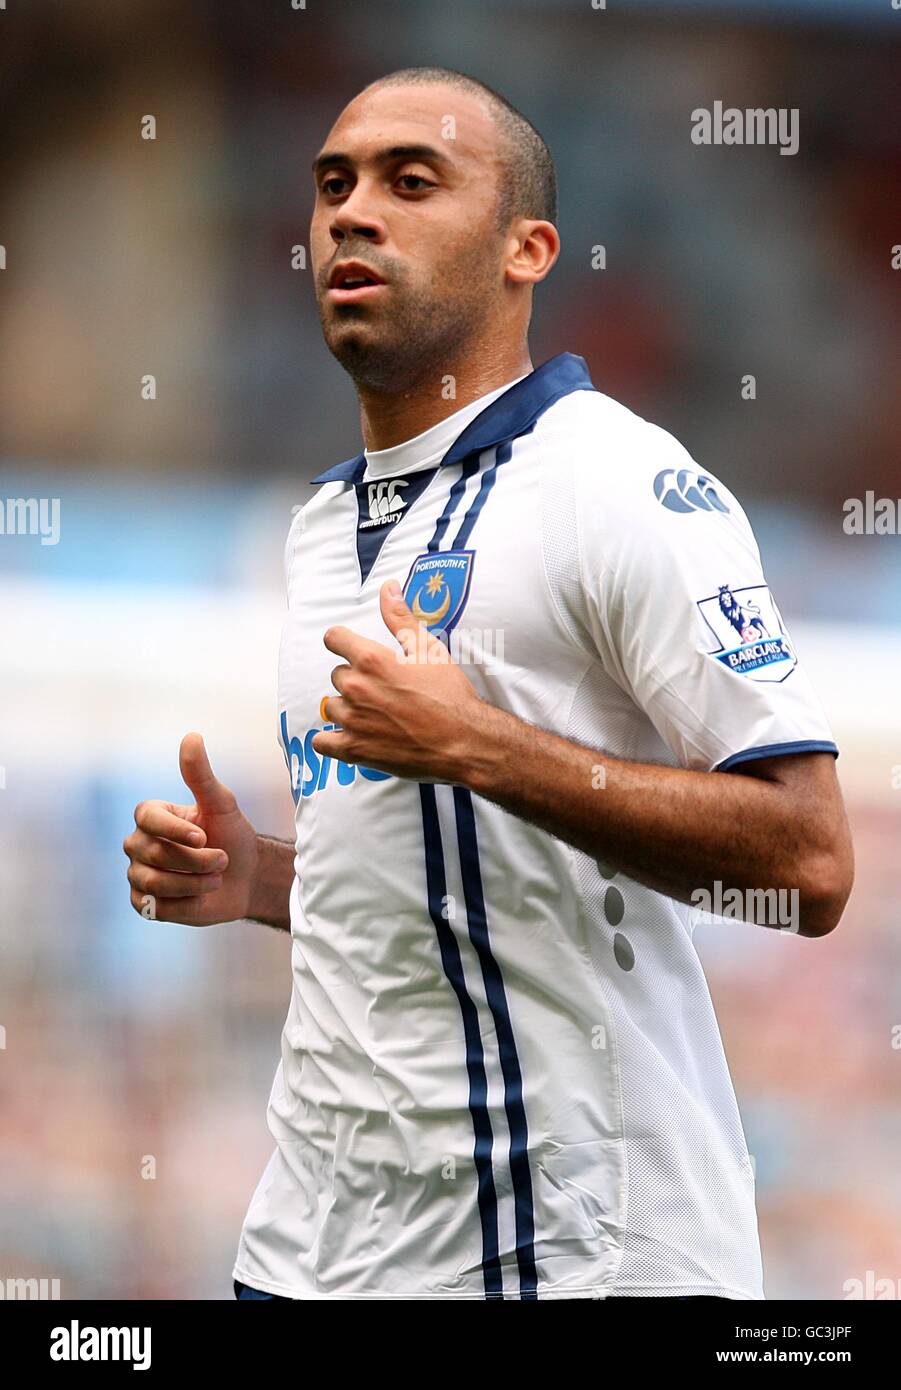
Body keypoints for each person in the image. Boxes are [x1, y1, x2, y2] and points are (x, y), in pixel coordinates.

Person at [123, 67, 853, 1301]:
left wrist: (484, 747)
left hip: (562, 1248)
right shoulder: (317, 527)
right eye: (333, 183)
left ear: (528, 250)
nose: (354, 212)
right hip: (316, 1247)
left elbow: (807, 864)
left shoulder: (616, 485)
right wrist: (257, 878)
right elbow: (450, 879)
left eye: (413, 182)